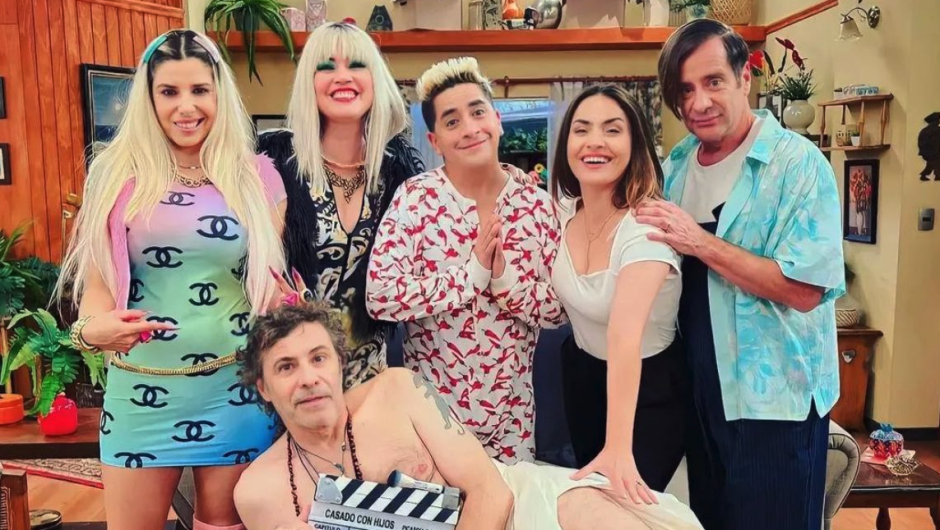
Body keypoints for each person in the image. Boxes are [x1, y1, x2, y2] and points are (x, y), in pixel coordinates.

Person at [55, 30, 288, 530]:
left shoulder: (258, 177)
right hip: (140, 390)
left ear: (219, 93)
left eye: (200, 89)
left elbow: (270, 290)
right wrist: (91, 331)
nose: (186, 106)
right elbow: (97, 289)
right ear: (149, 97)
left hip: (236, 389)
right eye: (169, 91)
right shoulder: (114, 176)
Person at [231, 303, 704, 530]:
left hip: (513, 508)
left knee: (605, 520)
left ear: (340, 365)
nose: (308, 378)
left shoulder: (397, 389)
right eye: (286, 367)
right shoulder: (261, 490)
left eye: (318, 359)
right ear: (263, 387)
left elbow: (492, 493)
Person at [637, 19, 845, 530]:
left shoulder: (797, 165)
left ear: (743, 78)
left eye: (713, 81)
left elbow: (805, 289)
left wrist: (699, 241)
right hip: (700, 394)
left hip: (774, 405)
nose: (700, 102)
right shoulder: (677, 165)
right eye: (685, 89)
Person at [365, 57, 565, 464]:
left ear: (497, 120)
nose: (470, 128)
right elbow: (379, 296)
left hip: (513, 424)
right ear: (435, 140)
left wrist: (507, 284)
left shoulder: (537, 205)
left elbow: (561, 310)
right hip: (429, 423)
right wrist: (469, 277)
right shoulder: (415, 199)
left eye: (477, 112)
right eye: (452, 121)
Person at [258, 22, 424, 390]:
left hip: (371, 383)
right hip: (292, 380)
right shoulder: (272, 159)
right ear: (309, 81)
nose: (342, 76)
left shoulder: (401, 173)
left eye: (357, 65)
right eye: (326, 66)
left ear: (376, 78)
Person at [548, 84, 687, 502]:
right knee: (591, 504)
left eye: (612, 130)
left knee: (623, 509)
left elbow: (624, 336)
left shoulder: (645, 230)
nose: (595, 141)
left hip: (649, 390)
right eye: (581, 129)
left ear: (635, 144)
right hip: (582, 376)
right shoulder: (562, 213)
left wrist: (618, 448)